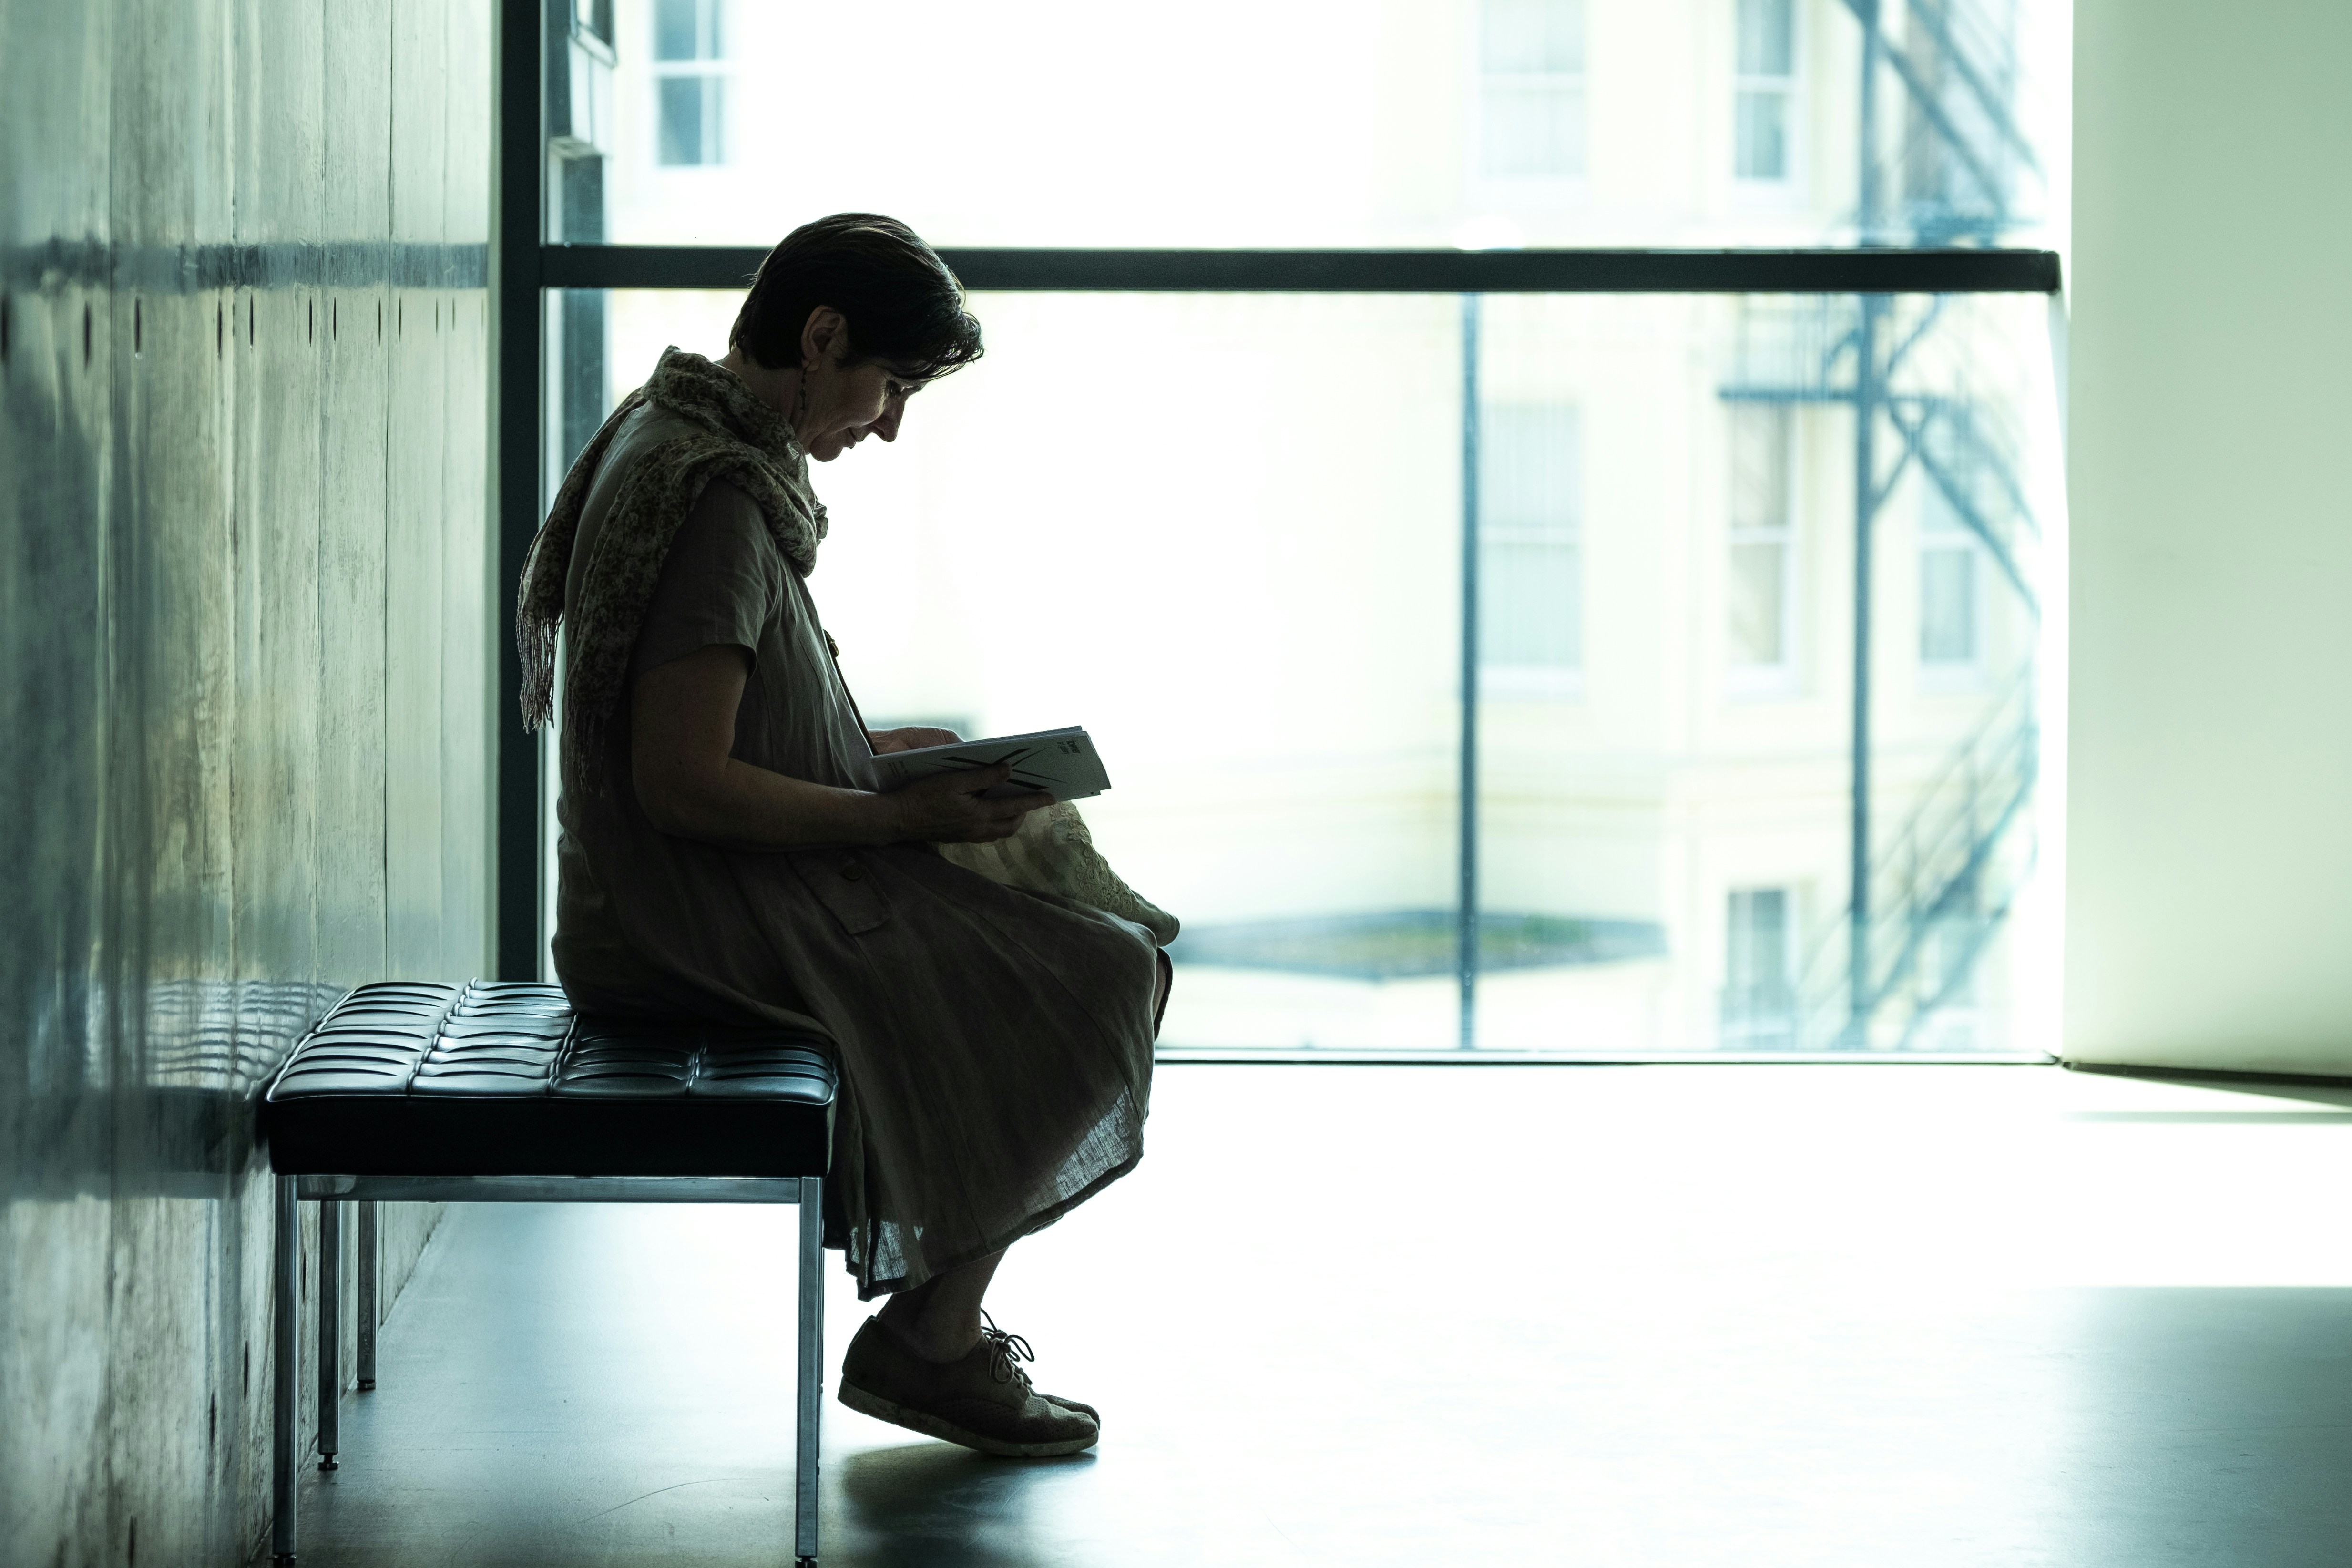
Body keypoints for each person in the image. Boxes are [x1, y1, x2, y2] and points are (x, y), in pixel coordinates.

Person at [514, 213, 1171, 1458]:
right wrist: (890, 812)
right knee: (1103, 972)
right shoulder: (711, 499)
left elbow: (718, 734)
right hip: (689, 923)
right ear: (821, 339)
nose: (886, 423)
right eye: (891, 384)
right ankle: (933, 1335)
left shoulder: (677, 444)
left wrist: (880, 761)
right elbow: (682, 784)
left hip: (668, 898)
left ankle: (939, 1320)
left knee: (1055, 919)